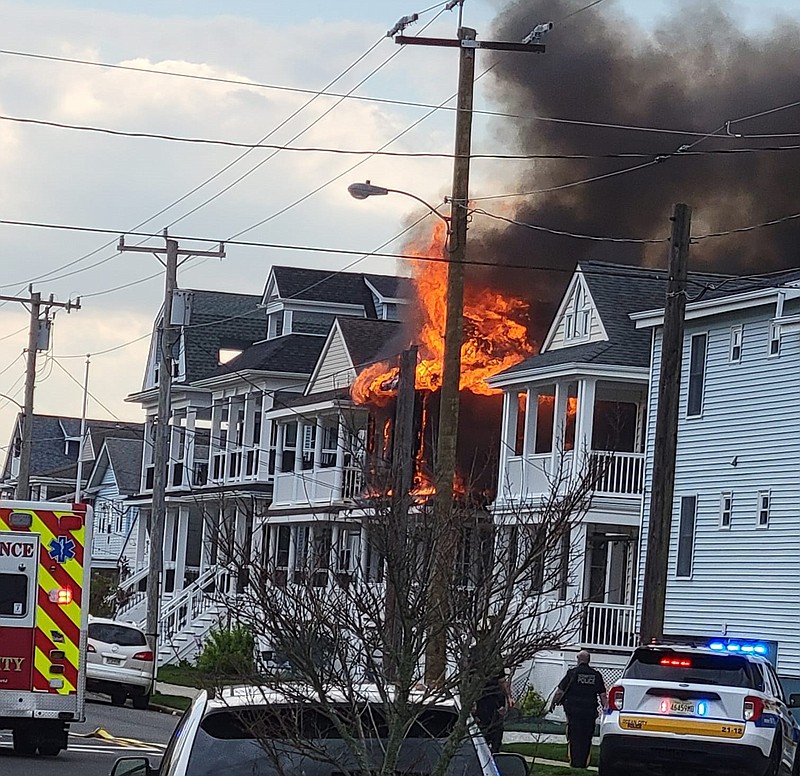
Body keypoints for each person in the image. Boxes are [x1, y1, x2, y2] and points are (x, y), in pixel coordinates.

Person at [550, 650, 607, 769]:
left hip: (573, 711)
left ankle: (574, 762)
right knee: (586, 737)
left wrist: (553, 703)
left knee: (574, 737)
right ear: (588, 660)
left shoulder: (572, 673)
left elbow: (560, 692)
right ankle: (584, 763)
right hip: (589, 712)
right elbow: (602, 695)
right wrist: (606, 710)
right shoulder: (596, 675)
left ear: (578, 659)